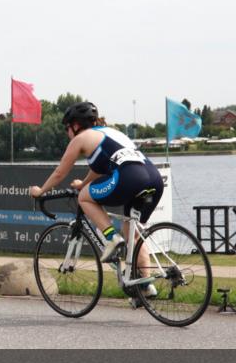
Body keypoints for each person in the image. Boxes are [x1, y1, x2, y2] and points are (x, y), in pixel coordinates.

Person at [29, 102, 164, 304]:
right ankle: (145, 286)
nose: (67, 132)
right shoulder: (110, 133)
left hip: (130, 177)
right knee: (132, 235)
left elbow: (60, 173)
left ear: (75, 125)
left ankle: (110, 238)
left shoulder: (81, 138)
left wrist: (41, 191)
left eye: (67, 128)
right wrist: (84, 182)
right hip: (153, 178)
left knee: (84, 197)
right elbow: (101, 168)